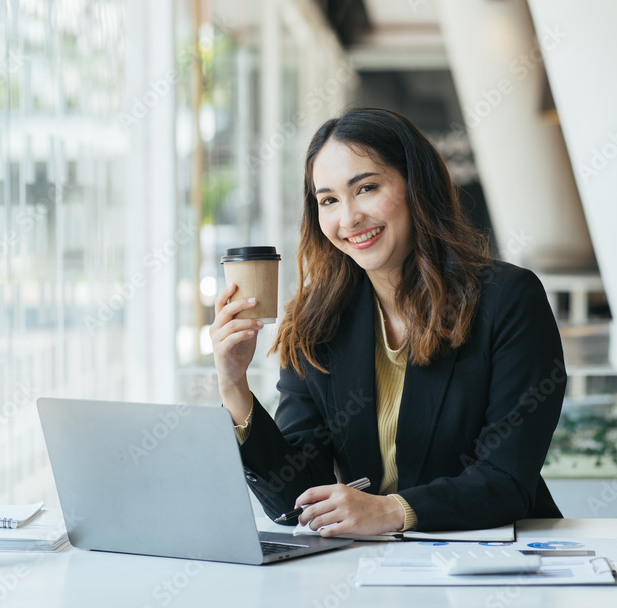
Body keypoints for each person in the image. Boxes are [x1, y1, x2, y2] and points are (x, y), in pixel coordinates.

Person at [210, 107, 566, 537]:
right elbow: (297, 500)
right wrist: (234, 385)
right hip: (379, 565)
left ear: (417, 186)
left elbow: (507, 480)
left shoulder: (507, 299)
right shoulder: (316, 320)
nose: (349, 219)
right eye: (328, 201)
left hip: (499, 559)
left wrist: (392, 510)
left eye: (367, 188)